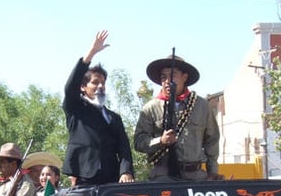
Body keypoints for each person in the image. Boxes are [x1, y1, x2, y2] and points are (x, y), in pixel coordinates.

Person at [62, 31, 134, 186]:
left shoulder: (113, 117)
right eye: (95, 82)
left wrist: (125, 171)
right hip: (84, 176)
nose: (100, 86)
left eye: (103, 82)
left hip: (111, 179)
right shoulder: (76, 108)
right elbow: (70, 86)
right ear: (83, 87)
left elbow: (124, 147)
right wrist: (91, 53)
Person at [135, 53, 221, 181]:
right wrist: (161, 141)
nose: (167, 82)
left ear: (184, 77)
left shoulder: (201, 105)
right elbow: (139, 142)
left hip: (195, 176)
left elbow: (212, 140)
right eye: (163, 77)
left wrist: (212, 172)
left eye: (172, 76)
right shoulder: (150, 108)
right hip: (162, 176)